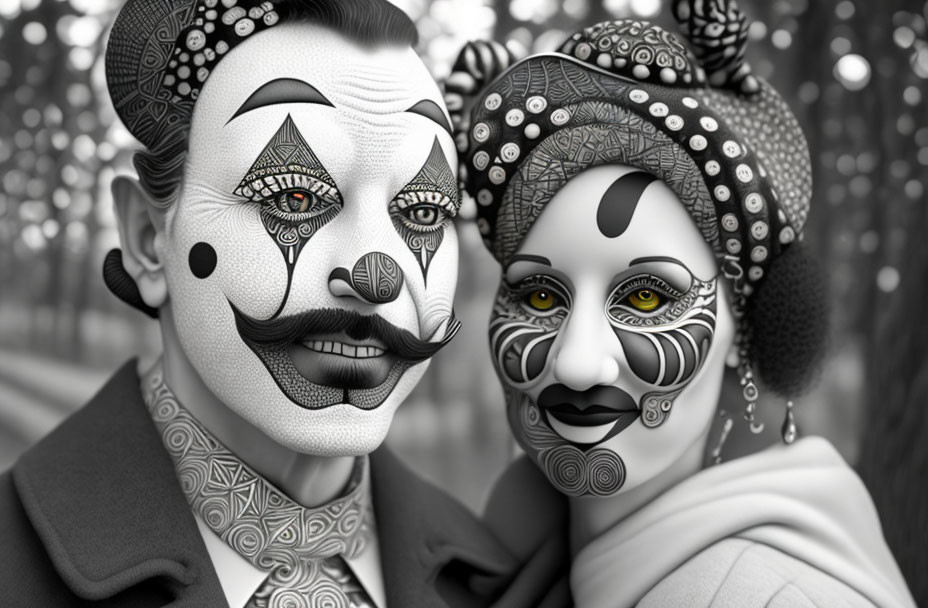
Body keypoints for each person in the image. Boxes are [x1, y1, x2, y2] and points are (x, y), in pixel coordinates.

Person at [0, 1, 522, 606]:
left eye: (423, 212)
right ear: (149, 239)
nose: (376, 274)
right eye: (294, 194)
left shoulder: (498, 584)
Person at [447, 0, 916, 605]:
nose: (577, 363)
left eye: (646, 296)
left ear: (742, 330)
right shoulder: (510, 558)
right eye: (539, 294)